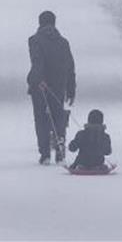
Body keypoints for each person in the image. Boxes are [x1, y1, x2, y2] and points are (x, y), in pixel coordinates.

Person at [27, 10, 76, 164]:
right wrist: (71, 88)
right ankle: (60, 149)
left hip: (40, 86)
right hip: (59, 86)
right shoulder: (63, 42)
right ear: (54, 23)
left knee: (41, 119)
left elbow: (37, 62)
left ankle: (45, 154)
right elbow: (70, 66)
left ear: (40, 23)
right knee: (58, 116)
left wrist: (37, 80)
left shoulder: (35, 40)